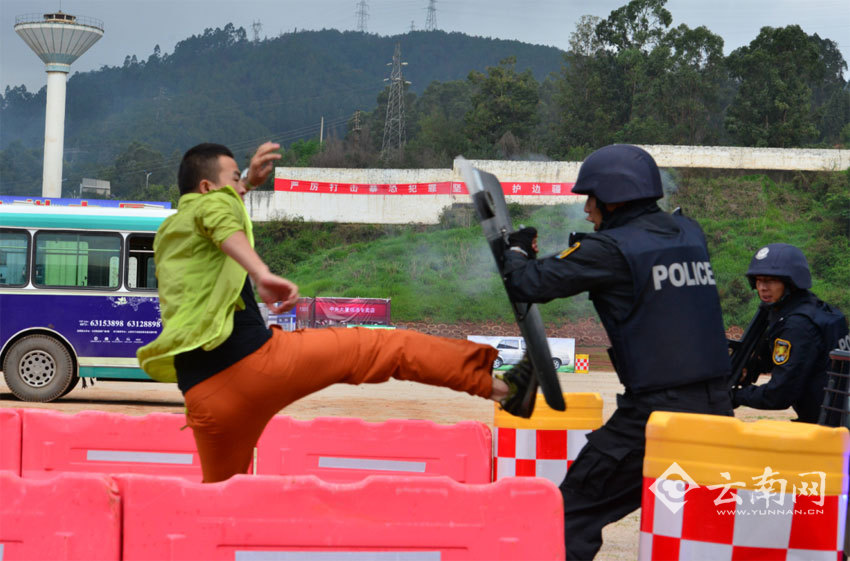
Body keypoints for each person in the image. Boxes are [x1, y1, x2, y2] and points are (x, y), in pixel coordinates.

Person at [137, 141, 521, 483]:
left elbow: (217, 217)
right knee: (387, 348)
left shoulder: (170, 233)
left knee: (220, 500)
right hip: (255, 366)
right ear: (206, 187)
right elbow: (223, 222)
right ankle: (504, 389)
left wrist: (249, 182)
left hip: (204, 397)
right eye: (234, 178)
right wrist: (262, 273)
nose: (240, 189)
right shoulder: (214, 205)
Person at [501, 144, 733, 560]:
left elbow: (527, 285)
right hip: (717, 408)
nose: (587, 210)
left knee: (567, 513)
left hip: (655, 415)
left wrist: (516, 252)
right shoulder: (689, 233)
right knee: (692, 530)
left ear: (614, 197)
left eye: (591, 198)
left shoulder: (610, 249)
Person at [732, 243, 849, 424]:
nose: (762, 287)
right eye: (759, 280)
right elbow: (779, 359)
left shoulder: (798, 325)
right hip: (836, 420)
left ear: (790, 283)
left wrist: (735, 395)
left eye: (770, 281)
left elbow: (779, 395)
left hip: (830, 430)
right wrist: (750, 368)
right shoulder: (812, 309)